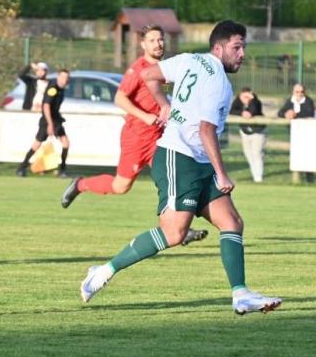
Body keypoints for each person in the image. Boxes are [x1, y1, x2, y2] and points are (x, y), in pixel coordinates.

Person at [79, 20, 282, 315]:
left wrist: (164, 103)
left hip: (197, 160)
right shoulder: (219, 84)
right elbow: (206, 130)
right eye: (237, 47)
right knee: (174, 234)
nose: (242, 54)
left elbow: (149, 75)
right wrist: (222, 172)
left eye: (244, 48)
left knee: (232, 223)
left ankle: (241, 294)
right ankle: (103, 271)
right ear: (219, 46)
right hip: (179, 156)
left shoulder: (189, 59)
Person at [61, 24, 208, 246]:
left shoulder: (167, 67)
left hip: (161, 137)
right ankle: (80, 184)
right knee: (121, 186)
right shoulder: (138, 69)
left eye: (160, 39)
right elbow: (120, 99)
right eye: (152, 40)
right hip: (137, 137)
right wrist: (145, 116)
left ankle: (177, 229)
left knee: (172, 179)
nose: (158, 43)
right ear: (143, 44)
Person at [16, 69, 71, 178]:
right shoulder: (53, 89)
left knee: (66, 143)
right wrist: (50, 124)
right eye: (63, 77)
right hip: (47, 120)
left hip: (56, 120)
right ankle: (21, 168)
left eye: (67, 78)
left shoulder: (61, 89)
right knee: (36, 144)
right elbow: (45, 106)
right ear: (58, 77)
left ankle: (62, 170)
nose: (66, 80)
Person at [278, 83, 315, 182]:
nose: (299, 94)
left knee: (306, 154)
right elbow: (280, 113)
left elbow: (309, 113)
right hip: (293, 133)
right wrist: (286, 114)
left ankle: (309, 178)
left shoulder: (308, 101)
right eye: (297, 92)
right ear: (293, 92)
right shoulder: (290, 101)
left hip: (305, 133)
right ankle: (297, 177)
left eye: (302, 92)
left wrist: (294, 114)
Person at [229, 87, 266, 183]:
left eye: (248, 96)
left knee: (257, 154)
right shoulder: (237, 102)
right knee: (249, 154)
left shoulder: (255, 102)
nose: (246, 98)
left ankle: (259, 178)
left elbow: (254, 110)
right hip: (245, 132)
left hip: (257, 132)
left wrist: (251, 100)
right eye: (244, 96)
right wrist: (242, 112)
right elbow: (232, 111)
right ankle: (255, 175)